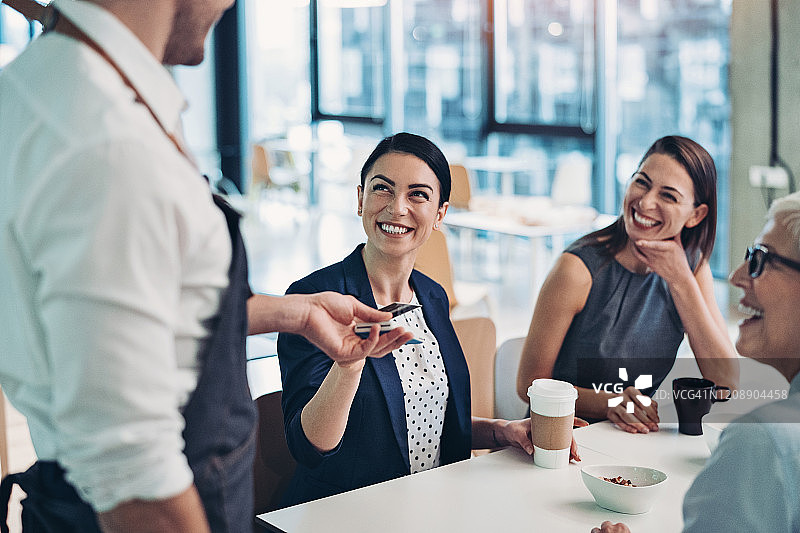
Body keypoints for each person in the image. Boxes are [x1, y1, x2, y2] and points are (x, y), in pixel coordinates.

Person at [0, 1, 409, 532]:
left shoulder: (35, 87)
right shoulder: (111, 147)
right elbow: (133, 476)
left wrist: (297, 313)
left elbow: (138, 308)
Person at [277, 132, 586, 506]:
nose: (397, 208)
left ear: (440, 213)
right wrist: (349, 365)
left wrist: (502, 432)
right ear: (360, 199)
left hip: (433, 506)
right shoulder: (315, 299)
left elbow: (427, 421)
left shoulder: (433, 295)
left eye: (418, 195)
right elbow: (308, 449)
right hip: (348, 514)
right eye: (382, 189)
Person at [593, 191, 800, 533]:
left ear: (696, 214)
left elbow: (725, 378)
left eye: (760, 259)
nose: (735, 276)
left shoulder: (763, 442)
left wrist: (681, 280)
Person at [517, 136, 739, 433]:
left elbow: (725, 384)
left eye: (669, 196)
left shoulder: (692, 269)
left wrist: (681, 282)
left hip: (630, 442)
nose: (646, 202)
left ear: (695, 215)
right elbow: (529, 385)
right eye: (642, 182)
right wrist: (610, 402)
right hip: (561, 439)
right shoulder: (577, 269)